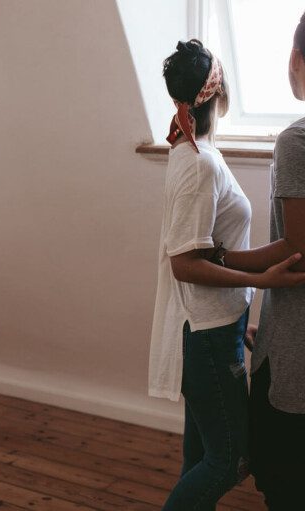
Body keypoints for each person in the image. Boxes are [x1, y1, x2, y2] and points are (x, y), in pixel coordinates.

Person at [148, 39, 305, 511]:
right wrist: (264, 282)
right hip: (207, 333)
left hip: (219, 326)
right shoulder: (198, 163)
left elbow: (210, 253)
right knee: (231, 460)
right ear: (220, 93)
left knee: (203, 454)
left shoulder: (194, 154)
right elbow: (186, 263)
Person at [204, 13, 305, 509]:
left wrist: (225, 258)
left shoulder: (297, 141)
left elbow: (297, 248)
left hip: (297, 351)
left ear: (296, 60)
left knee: (283, 481)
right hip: (285, 333)